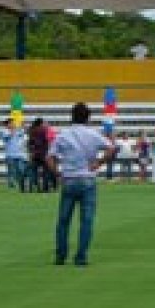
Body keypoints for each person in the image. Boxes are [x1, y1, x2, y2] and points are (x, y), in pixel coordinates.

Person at [48, 102, 114, 266]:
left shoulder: (63, 135)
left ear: (72, 116)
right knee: (86, 220)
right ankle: (81, 256)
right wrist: (98, 163)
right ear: (88, 118)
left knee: (63, 220)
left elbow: (50, 157)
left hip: (69, 179)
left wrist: (57, 173)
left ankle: (61, 255)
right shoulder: (93, 134)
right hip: (87, 179)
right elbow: (111, 148)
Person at [0, 118, 28, 191]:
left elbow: (23, 133)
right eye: (11, 123)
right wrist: (14, 129)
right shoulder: (4, 131)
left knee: (20, 170)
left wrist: (23, 126)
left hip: (19, 154)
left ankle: (21, 183)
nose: (13, 124)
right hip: (10, 154)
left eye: (13, 123)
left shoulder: (17, 130)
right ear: (7, 124)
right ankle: (11, 184)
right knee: (11, 171)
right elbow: (9, 136)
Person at [27, 117, 51, 193]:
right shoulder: (43, 130)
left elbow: (30, 143)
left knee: (34, 171)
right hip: (43, 153)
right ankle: (45, 188)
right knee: (46, 171)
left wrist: (30, 152)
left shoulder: (31, 130)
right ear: (41, 123)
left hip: (34, 154)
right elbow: (46, 142)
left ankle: (34, 186)